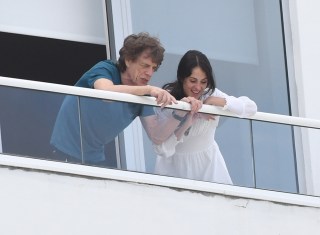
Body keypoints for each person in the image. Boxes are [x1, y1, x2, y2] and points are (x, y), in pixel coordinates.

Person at [50, 32, 199, 166]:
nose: (149, 73)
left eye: (153, 68)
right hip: (63, 150)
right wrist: (149, 89)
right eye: (145, 65)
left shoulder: (144, 92)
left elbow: (156, 137)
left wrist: (179, 113)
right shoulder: (106, 68)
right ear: (128, 60)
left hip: (93, 157)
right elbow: (105, 92)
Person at [153, 50, 257, 184]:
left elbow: (250, 108)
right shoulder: (169, 98)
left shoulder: (210, 94)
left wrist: (214, 102)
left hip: (210, 166)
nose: (198, 87)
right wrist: (185, 113)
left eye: (203, 82)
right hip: (174, 169)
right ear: (182, 77)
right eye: (192, 80)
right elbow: (163, 149)